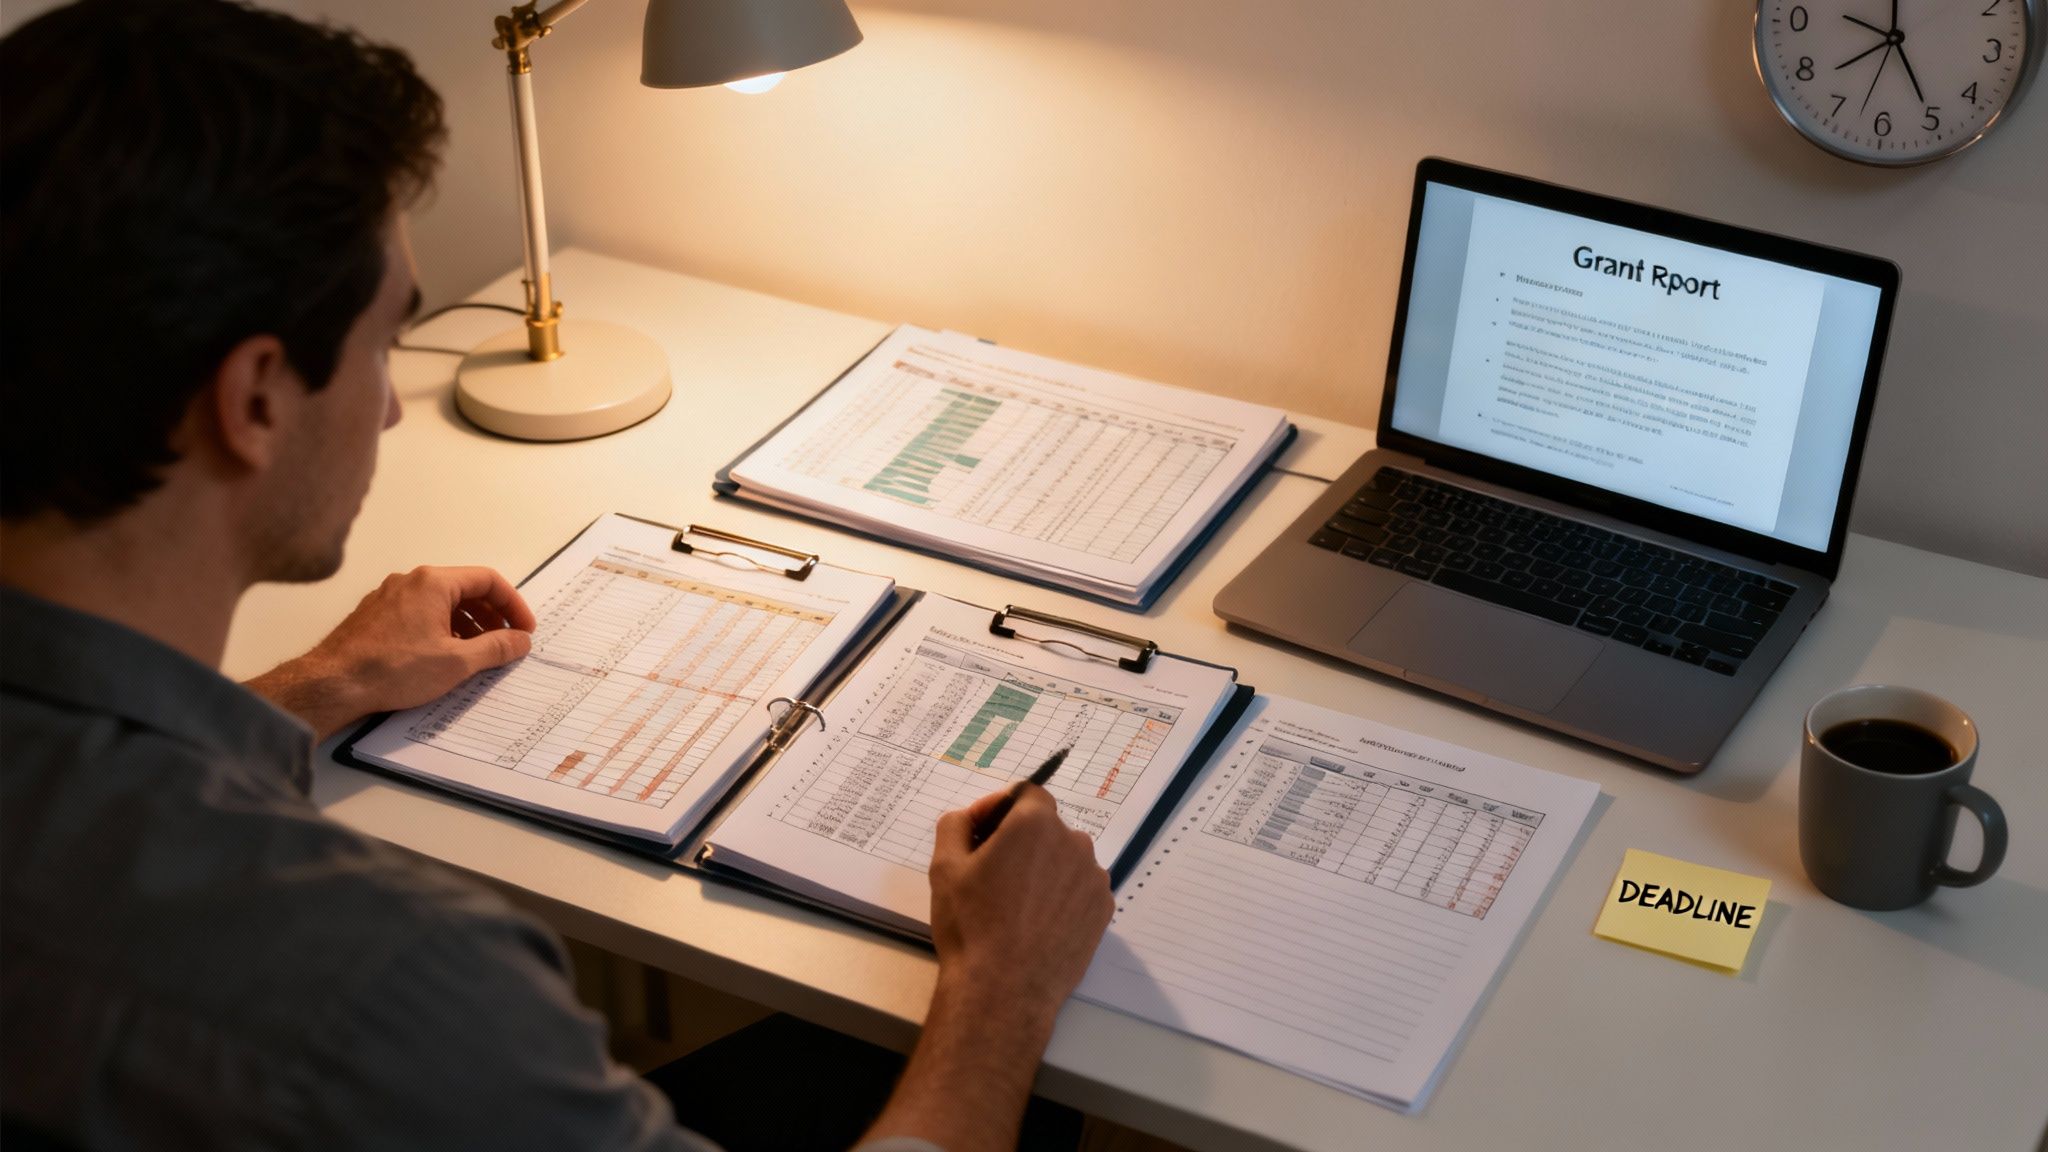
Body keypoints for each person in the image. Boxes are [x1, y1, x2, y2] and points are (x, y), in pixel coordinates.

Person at [0, 2, 1115, 1150]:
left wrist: (321, 685)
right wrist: (1002, 985)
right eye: (384, 342)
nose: (391, 408)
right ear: (256, 400)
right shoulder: (390, 985)